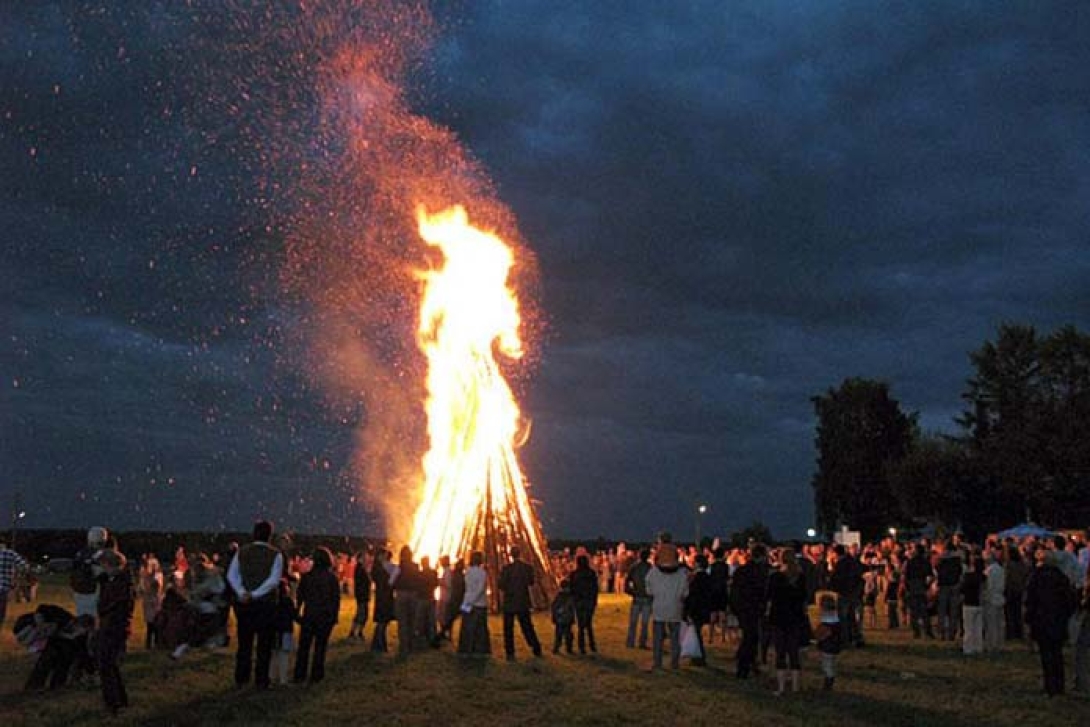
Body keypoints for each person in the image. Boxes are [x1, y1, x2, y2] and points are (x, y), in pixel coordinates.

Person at [227, 520, 284, 690]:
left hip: (244, 605)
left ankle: (241, 678)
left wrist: (242, 592)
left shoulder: (242, 552)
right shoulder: (276, 554)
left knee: (244, 643)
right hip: (265, 605)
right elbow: (273, 581)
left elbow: (232, 575)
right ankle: (261, 680)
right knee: (264, 645)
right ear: (270, 535)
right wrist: (255, 594)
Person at [1025, 550, 1078, 696]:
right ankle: (1058, 686)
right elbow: (1071, 600)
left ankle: (1049, 685)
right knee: (1057, 654)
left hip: (1041, 620)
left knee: (1046, 655)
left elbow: (1030, 599)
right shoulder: (1062, 578)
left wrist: (1029, 618)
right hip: (1058, 622)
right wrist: (1065, 615)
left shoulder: (1036, 577)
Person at [95, 548, 133, 715]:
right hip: (114, 626)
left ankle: (113, 702)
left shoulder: (119, 584)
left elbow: (107, 606)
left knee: (106, 665)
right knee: (110, 665)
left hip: (113, 627)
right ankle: (120, 699)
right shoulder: (119, 581)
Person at [294, 547, 340, 684]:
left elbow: (300, 597)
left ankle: (300, 674)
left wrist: (297, 613)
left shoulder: (307, 577)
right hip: (325, 617)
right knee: (320, 647)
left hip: (309, 615)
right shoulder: (332, 579)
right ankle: (317, 675)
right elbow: (335, 599)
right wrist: (334, 617)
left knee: (304, 647)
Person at [767, 549, 808, 695]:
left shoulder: (775, 577)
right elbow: (804, 597)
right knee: (794, 652)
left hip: (779, 617)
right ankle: (796, 686)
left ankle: (781, 687)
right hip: (795, 617)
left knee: (780, 652)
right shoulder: (800, 577)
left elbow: (769, 596)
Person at [646, 538, 688, 671]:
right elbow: (685, 593)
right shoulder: (681, 574)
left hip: (659, 609)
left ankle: (657, 663)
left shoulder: (653, 573)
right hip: (675, 609)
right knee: (675, 639)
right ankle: (674, 663)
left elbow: (649, 590)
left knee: (658, 639)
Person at [498, 545, 543, 660]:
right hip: (523, 601)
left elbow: (501, 585)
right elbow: (531, 582)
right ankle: (536, 647)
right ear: (520, 554)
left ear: (511, 554)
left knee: (508, 628)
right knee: (527, 626)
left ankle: (510, 653)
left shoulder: (506, 569)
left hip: (509, 602)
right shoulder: (527, 568)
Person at [731, 544, 768, 678]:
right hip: (753, 608)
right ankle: (743, 666)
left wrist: (735, 607)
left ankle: (751, 664)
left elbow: (734, 591)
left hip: (742, 608)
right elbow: (762, 592)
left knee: (750, 636)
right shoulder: (760, 572)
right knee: (750, 637)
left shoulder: (741, 571)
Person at [72, 527, 109, 619]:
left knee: (82, 615)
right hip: (93, 589)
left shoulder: (80, 553)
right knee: (93, 617)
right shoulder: (101, 554)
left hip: (79, 590)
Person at [458, 551, 490, 655]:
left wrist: (467, 602)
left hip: (467, 602)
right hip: (479, 604)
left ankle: (466, 649)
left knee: (467, 627)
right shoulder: (482, 573)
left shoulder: (468, 571)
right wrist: (472, 601)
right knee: (480, 629)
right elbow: (480, 589)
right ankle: (479, 650)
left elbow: (467, 588)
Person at [684, 554, 714, 666]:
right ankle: (698, 656)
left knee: (696, 633)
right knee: (697, 632)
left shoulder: (696, 578)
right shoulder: (707, 577)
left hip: (696, 609)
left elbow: (693, 596)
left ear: (698, 563)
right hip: (704, 608)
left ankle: (699, 656)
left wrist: (688, 611)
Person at [392, 545, 421, 657]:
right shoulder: (416, 566)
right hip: (413, 595)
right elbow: (418, 580)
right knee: (412, 620)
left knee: (402, 621)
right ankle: (411, 644)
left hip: (401, 594)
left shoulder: (399, 567)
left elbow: (391, 581)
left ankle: (404, 646)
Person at [903, 543, 935, 639]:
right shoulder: (925, 562)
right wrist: (927, 586)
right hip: (921, 586)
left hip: (913, 586)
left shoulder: (910, 562)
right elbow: (930, 575)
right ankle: (927, 631)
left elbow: (906, 576)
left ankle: (916, 632)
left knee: (914, 612)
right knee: (924, 611)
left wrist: (907, 587)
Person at [568, 554, 598, 656]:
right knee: (588, 624)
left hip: (579, 602)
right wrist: (594, 601)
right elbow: (595, 589)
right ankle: (592, 645)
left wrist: (574, 599)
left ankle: (582, 647)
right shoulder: (591, 573)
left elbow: (571, 589)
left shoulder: (574, 574)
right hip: (589, 601)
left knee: (581, 625)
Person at [269, 579, 296, 687]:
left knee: (273, 655)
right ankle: (283, 679)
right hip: (284, 631)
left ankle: (271, 677)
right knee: (283, 655)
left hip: (272, 631)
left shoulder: (270, 602)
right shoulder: (287, 601)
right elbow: (293, 614)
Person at [624, 548, 653, 649]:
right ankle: (641, 642)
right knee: (644, 623)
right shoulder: (650, 568)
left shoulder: (635, 567)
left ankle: (631, 642)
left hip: (638, 597)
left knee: (634, 622)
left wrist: (629, 591)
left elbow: (627, 580)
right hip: (645, 598)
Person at [936, 542, 964, 642]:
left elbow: (937, 571)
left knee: (942, 610)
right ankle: (952, 633)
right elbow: (960, 573)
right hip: (954, 585)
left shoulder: (940, 559)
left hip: (943, 585)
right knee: (953, 611)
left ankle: (942, 632)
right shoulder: (957, 560)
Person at [814, 593, 842, 691]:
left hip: (828, 645)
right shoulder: (835, 615)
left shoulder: (827, 616)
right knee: (829, 663)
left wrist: (818, 637)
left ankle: (828, 683)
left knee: (827, 665)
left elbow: (826, 630)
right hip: (834, 643)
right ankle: (828, 681)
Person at [370, 549, 395, 653]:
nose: (386, 557)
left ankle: (376, 644)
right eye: (384, 555)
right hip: (383, 597)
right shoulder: (379, 569)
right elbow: (386, 581)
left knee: (382, 622)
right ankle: (381, 645)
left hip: (383, 596)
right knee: (382, 622)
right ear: (380, 556)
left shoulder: (378, 568)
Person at [0, 541, 29, 629]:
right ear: (4, 544)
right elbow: (24, 566)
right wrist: (17, 576)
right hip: (4, 585)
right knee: (1, 607)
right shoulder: (11, 554)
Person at [137, 555, 164, 650]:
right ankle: (150, 643)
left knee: (154, 622)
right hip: (148, 601)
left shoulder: (156, 577)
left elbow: (155, 588)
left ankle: (155, 642)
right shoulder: (145, 577)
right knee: (150, 623)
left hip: (153, 601)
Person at [960, 553, 984, 655]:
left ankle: (968, 648)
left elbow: (962, 589)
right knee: (978, 628)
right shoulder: (983, 577)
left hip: (969, 603)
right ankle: (978, 647)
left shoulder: (968, 576)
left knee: (968, 627)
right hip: (979, 603)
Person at [982, 549, 1005, 652]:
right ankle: (999, 643)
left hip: (991, 598)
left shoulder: (989, 570)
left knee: (991, 623)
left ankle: (991, 644)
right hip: (1000, 597)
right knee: (999, 623)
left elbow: (989, 585)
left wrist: (985, 595)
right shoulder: (1001, 569)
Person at [347, 548, 371, 644]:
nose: (367, 558)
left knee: (361, 614)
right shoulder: (360, 568)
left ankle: (354, 632)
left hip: (362, 594)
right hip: (362, 595)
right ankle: (357, 632)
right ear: (361, 558)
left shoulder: (361, 568)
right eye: (365, 557)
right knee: (362, 614)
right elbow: (364, 581)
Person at [550, 578, 576, 654]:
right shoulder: (567, 597)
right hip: (564, 618)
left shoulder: (559, 596)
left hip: (561, 619)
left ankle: (559, 648)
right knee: (565, 634)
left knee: (561, 634)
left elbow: (554, 607)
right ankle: (565, 648)